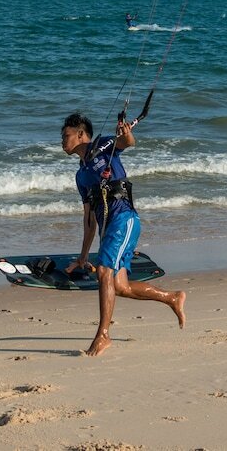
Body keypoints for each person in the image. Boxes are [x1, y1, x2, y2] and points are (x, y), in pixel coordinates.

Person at [61, 112, 185, 356]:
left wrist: (125, 130)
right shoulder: (81, 175)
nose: (62, 141)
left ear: (80, 134)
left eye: (66, 136)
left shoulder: (103, 146)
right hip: (108, 229)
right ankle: (172, 297)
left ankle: (103, 335)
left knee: (105, 272)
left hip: (124, 219)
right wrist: (83, 257)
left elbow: (127, 142)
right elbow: (88, 219)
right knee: (119, 286)